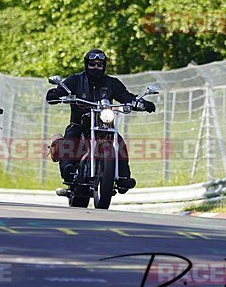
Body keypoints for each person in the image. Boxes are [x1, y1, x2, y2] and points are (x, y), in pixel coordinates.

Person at [45, 49, 156, 192]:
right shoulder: (76, 80)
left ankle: (123, 177)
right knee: (71, 138)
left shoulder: (112, 83)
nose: (96, 67)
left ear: (104, 66)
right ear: (86, 64)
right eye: (92, 64)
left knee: (119, 141)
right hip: (79, 123)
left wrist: (141, 103)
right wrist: (55, 94)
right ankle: (69, 171)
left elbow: (126, 96)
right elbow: (61, 90)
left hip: (104, 124)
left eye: (99, 64)